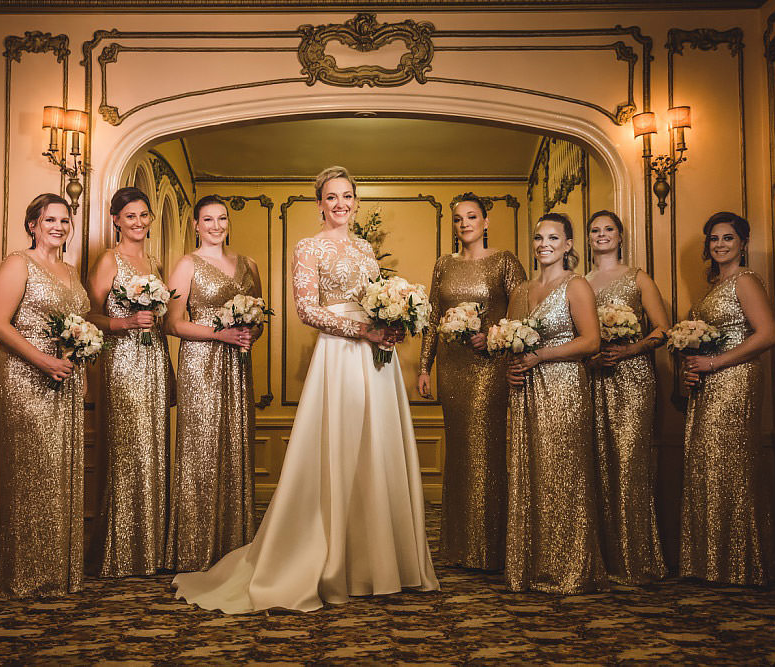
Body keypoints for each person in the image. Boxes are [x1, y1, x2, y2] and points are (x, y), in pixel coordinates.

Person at [172, 166, 438, 613]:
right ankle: (329, 564)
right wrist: (362, 330)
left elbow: (376, 298)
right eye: (331, 197)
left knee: (377, 450)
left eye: (347, 196)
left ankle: (379, 563)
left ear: (356, 202)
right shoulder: (308, 246)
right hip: (338, 356)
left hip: (378, 360)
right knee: (337, 451)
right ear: (320, 203)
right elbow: (306, 310)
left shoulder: (366, 248)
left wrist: (391, 325)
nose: (340, 204)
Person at [0, 193, 89, 597]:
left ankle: (56, 572)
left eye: (64, 221)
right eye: (50, 220)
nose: (58, 227)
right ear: (33, 225)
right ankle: (22, 575)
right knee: (29, 474)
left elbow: (75, 323)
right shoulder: (18, 262)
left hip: (64, 379)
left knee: (57, 473)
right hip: (23, 377)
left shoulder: (71, 269)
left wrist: (75, 353)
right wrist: (43, 361)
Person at [417, 193, 525, 570]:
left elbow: (524, 310)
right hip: (453, 368)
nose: (464, 223)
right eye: (458, 218)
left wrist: (493, 335)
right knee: (460, 451)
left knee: (486, 450)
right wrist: (423, 367)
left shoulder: (504, 262)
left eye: (472, 217)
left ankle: (490, 548)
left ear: (485, 221)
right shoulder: (443, 265)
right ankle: (459, 546)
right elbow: (432, 317)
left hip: (489, 367)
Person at [504, 212, 606, 593]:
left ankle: (569, 569)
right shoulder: (520, 291)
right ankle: (530, 568)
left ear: (568, 245)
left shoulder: (575, 285)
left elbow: (591, 342)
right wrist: (513, 369)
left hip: (563, 388)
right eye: (538, 237)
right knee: (528, 472)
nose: (543, 244)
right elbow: (508, 342)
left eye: (552, 238)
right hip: (524, 390)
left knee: (563, 473)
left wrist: (540, 357)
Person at [164, 195, 262, 572]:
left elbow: (258, 319)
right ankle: (194, 549)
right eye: (208, 219)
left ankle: (236, 545)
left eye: (222, 218)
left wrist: (251, 332)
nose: (216, 226)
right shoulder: (187, 264)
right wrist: (220, 335)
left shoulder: (249, 264)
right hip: (201, 364)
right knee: (201, 450)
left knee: (237, 446)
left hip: (237, 365)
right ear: (195, 224)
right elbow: (172, 323)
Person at [680, 211, 775, 586]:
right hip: (711, 381)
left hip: (736, 379)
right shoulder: (714, 286)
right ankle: (715, 562)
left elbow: (768, 334)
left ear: (743, 243)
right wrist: (695, 369)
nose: (719, 245)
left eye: (728, 238)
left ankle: (742, 563)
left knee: (732, 464)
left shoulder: (746, 280)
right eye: (714, 239)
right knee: (709, 462)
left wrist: (715, 361)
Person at [86, 187, 174, 577]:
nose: (138, 222)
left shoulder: (154, 262)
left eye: (144, 215)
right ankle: (119, 551)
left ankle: (150, 547)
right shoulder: (109, 259)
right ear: (116, 220)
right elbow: (89, 316)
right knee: (127, 446)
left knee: (153, 444)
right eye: (130, 216)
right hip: (122, 360)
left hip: (153, 357)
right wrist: (123, 323)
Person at [585, 210, 669, 584]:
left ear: (621, 237)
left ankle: (636, 560)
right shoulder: (580, 283)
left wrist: (629, 350)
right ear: (587, 239)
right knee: (598, 466)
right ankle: (603, 559)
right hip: (592, 379)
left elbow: (663, 331)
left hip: (633, 379)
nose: (602, 235)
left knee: (630, 465)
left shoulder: (637, 278)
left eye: (608, 230)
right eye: (595, 230)